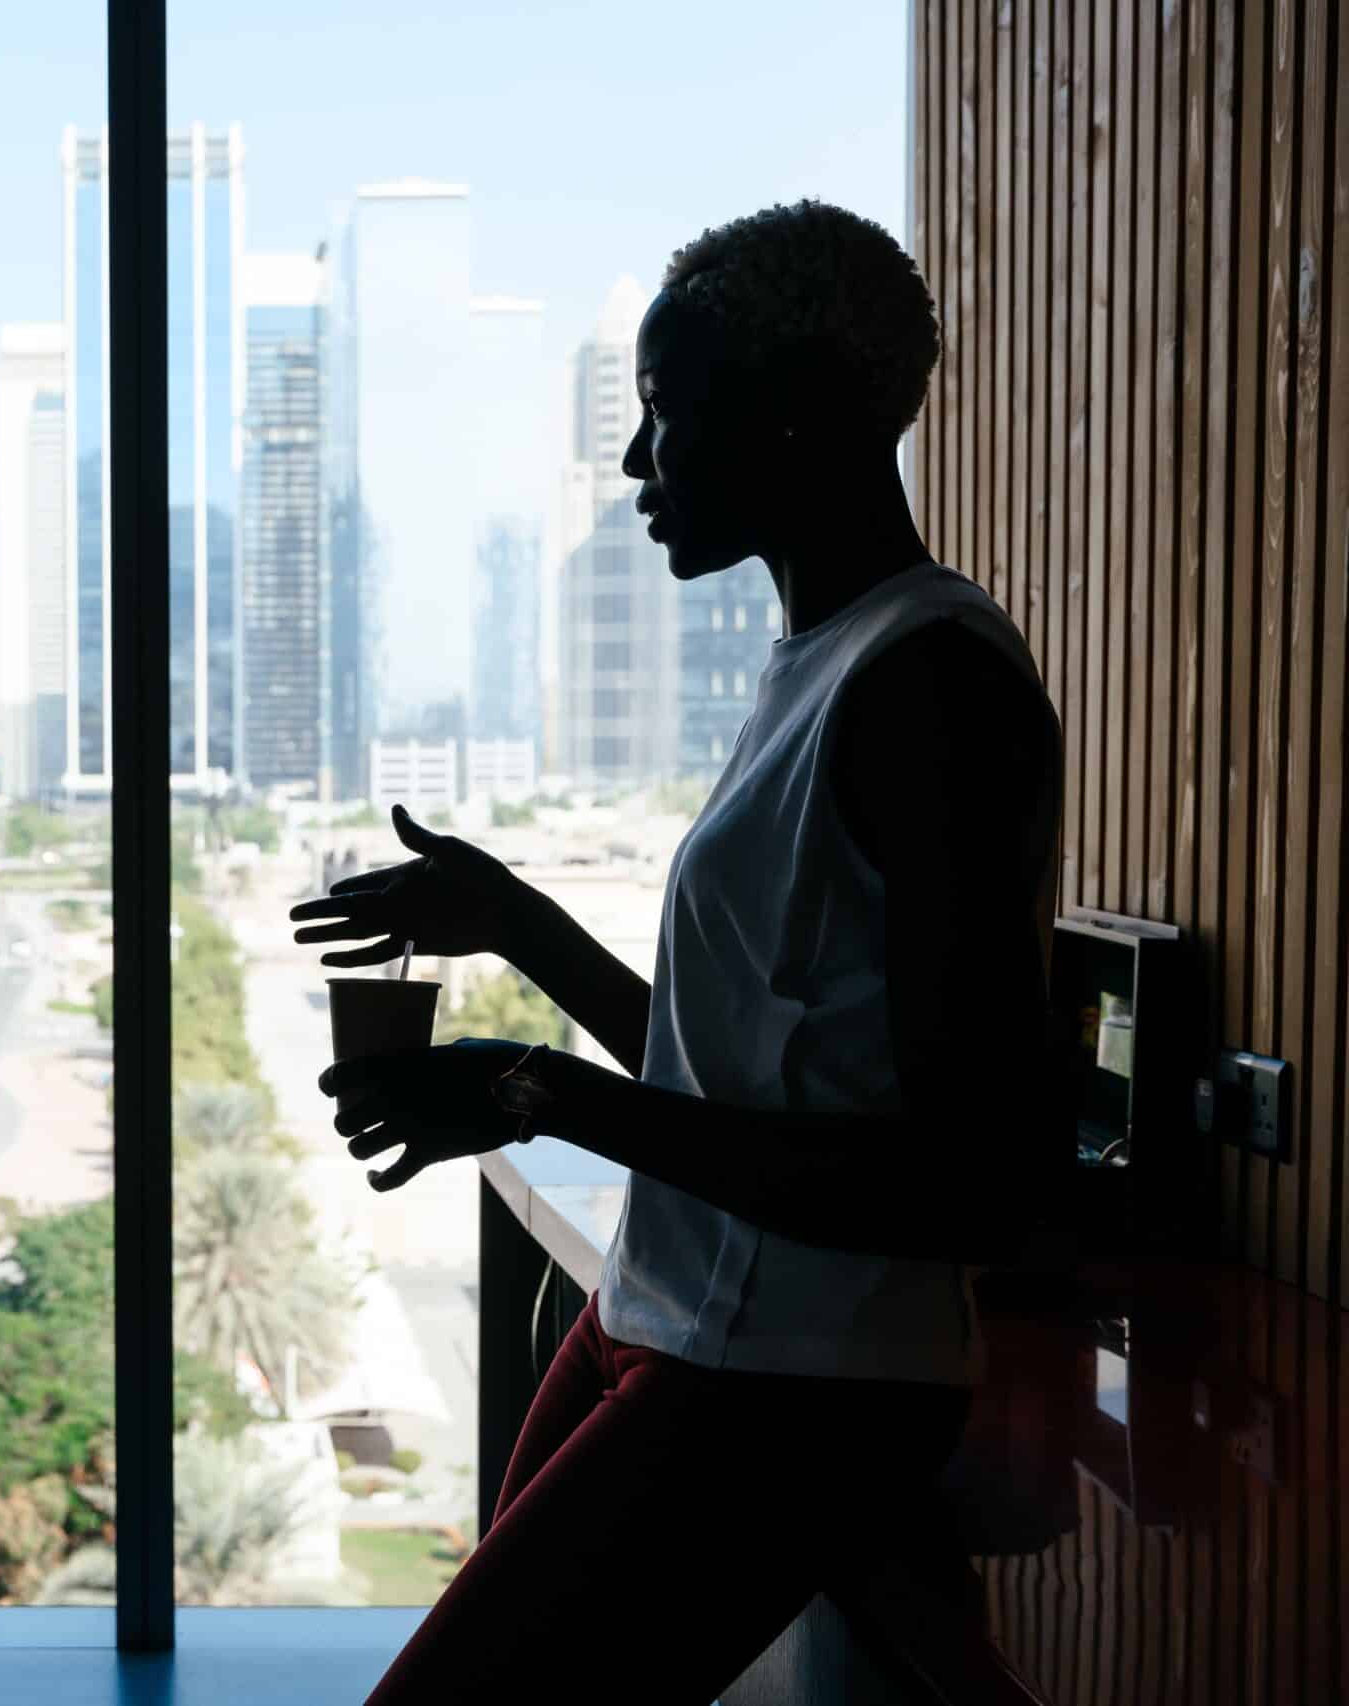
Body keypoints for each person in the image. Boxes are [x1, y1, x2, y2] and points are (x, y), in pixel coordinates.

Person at [290, 200, 1065, 1703]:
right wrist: (514, 919)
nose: (638, 465)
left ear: (793, 414)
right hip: (670, 1320)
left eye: (665, 413)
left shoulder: (932, 689)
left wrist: (536, 1093)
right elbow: (733, 1072)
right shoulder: (823, 662)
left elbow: (961, 1180)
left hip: (792, 1387)